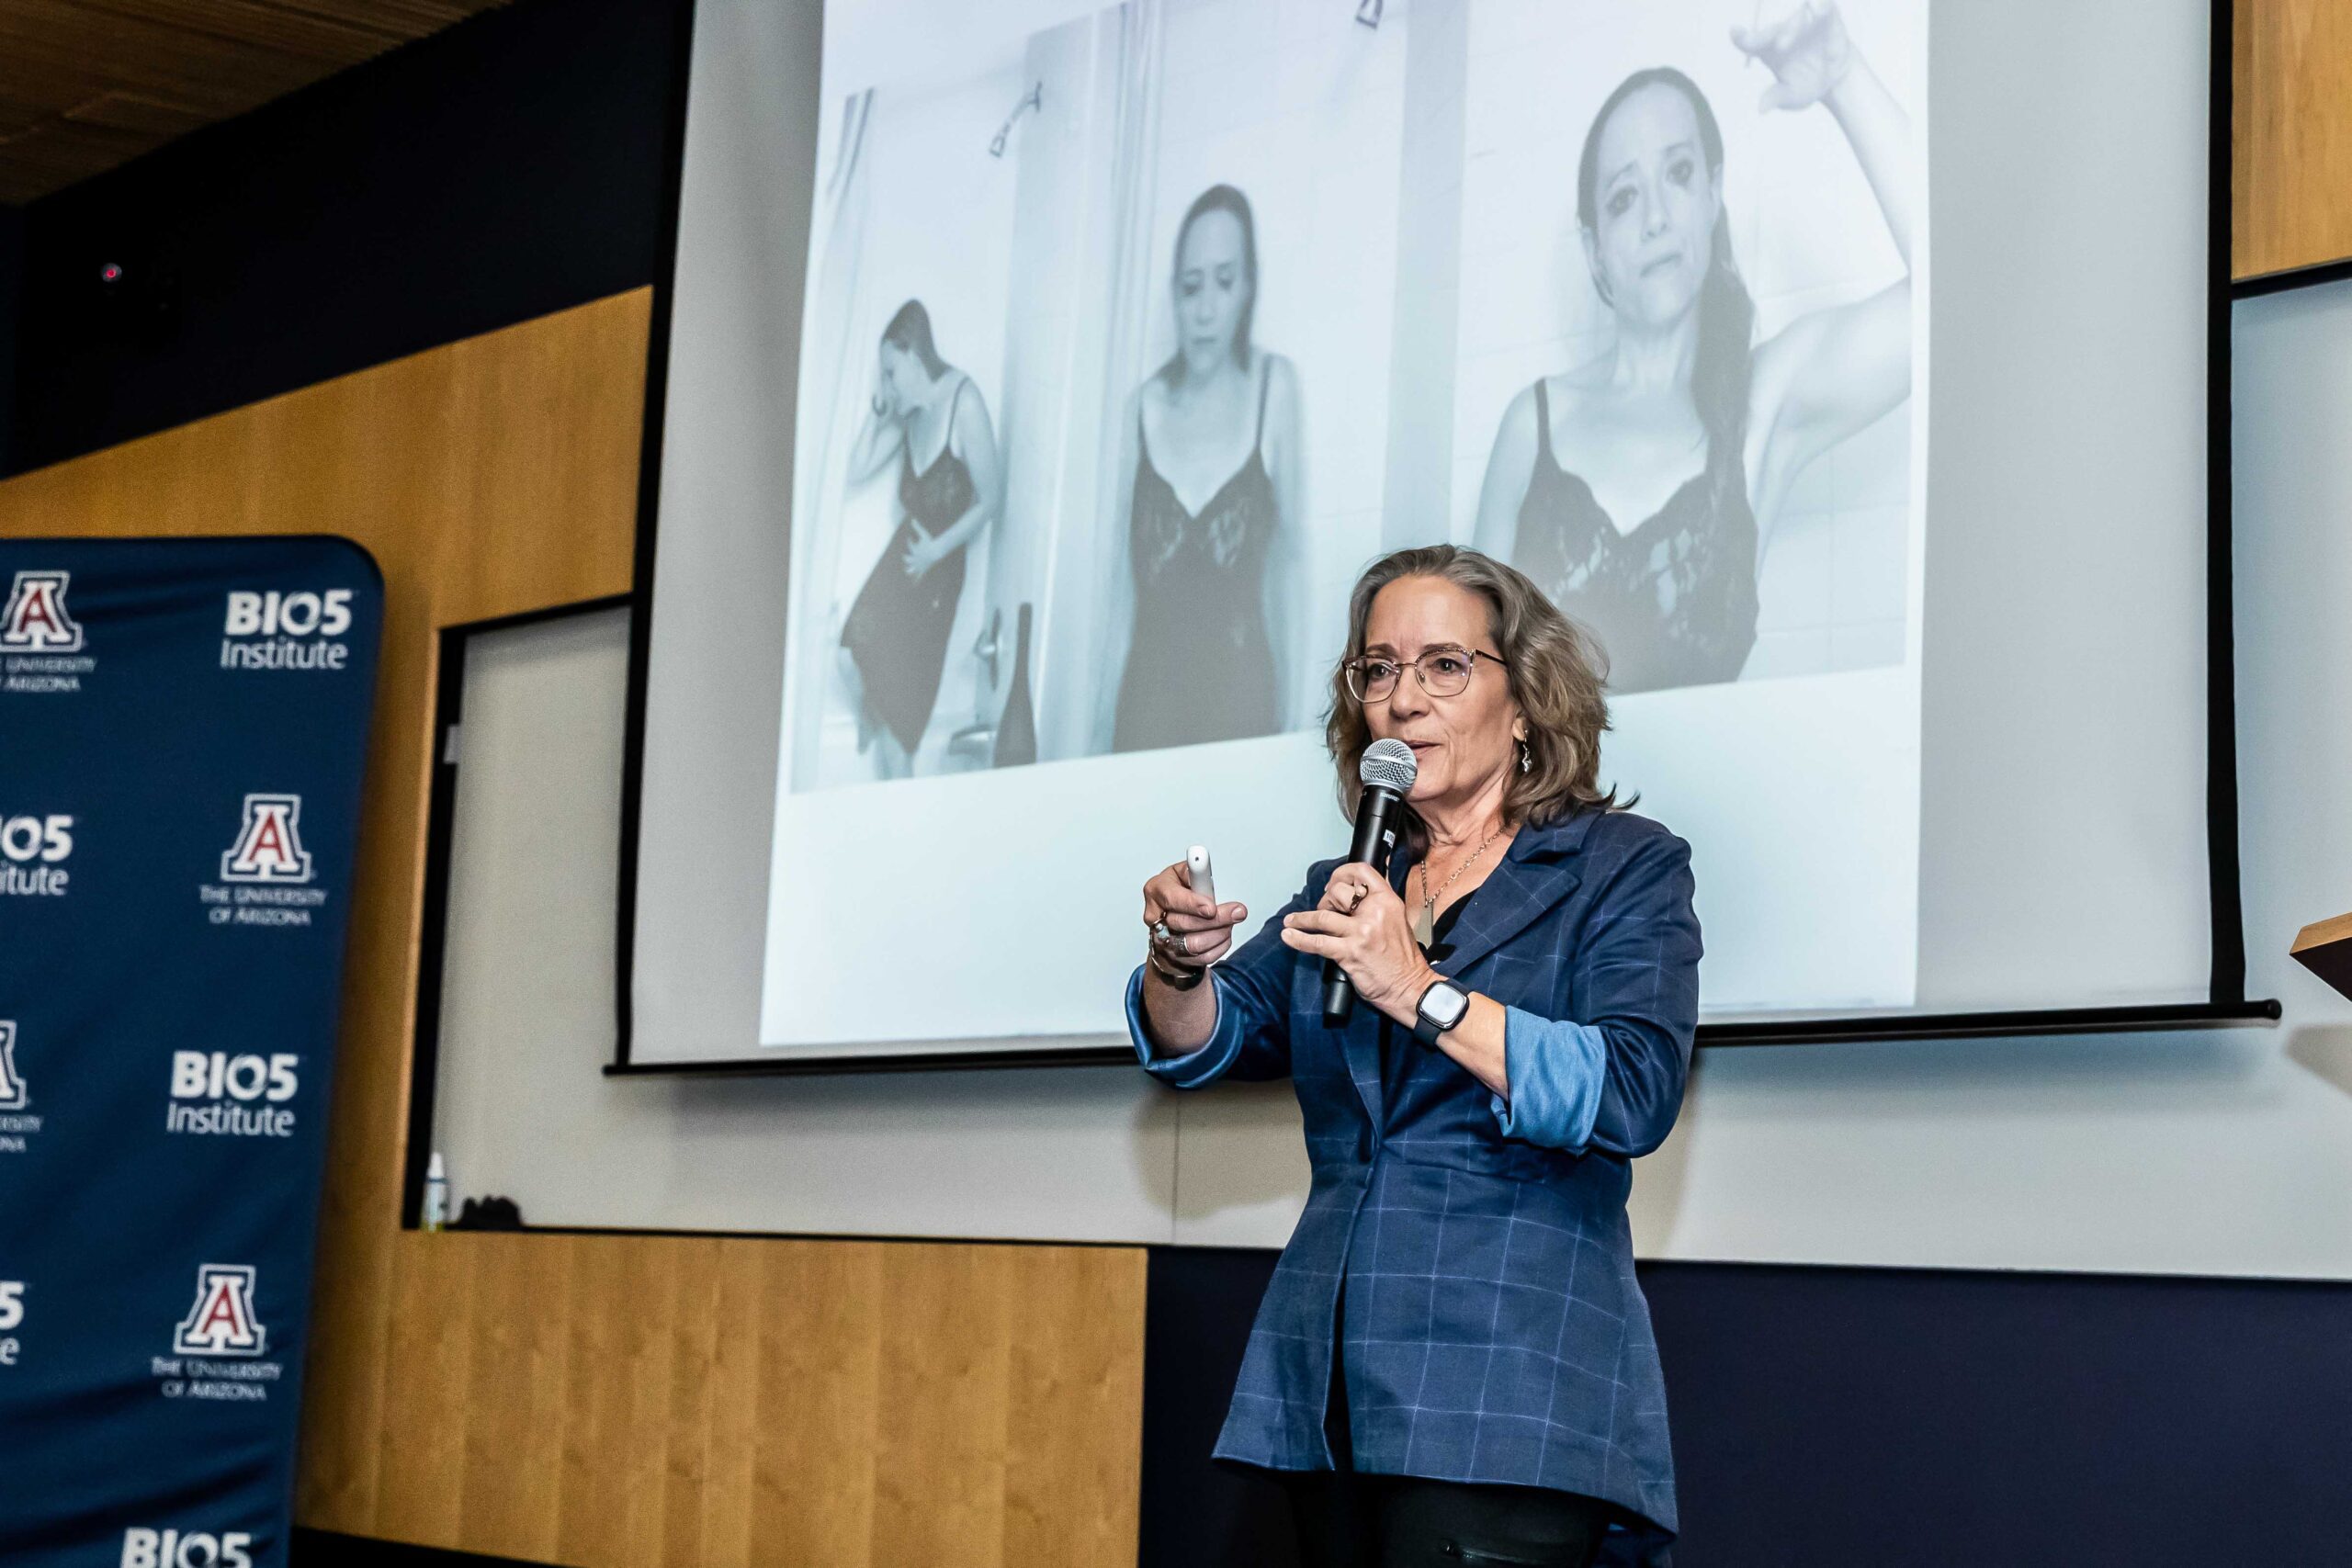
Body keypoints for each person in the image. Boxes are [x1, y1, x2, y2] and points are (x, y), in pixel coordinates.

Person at [1129, 544, 1702, 1566]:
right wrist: (1179, 963)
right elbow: (1209, 1043)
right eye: (1378, 669)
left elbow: (1631, 1090)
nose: (1404, 699)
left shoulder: (1620, 870)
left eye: (1443, 665)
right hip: (1329, 1390)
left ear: (1523, 699)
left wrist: (1418, 990)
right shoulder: (1350, 879)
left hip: (1507, 1391)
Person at [1472, 0, 1912, 694]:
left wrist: (1843, 76)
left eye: (1678, 175)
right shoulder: (1532, 426)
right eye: (1622, 198)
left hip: (1698, 806)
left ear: (1713, 194)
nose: (1655, 218)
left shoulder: (1766, 401)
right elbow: (1469, 694)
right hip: (1535, 806)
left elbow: (1959, 297)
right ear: (1594, 253)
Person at [1104, 184, 1306, 753]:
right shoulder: (1141, 407)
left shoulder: (1275, 389)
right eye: (1191, 286)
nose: (1206, 308)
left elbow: (1290, 568)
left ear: (1249, 287)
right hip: (1144, 711)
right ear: (1174, 292)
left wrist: (1296, 727)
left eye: (1225, 281)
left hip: (1243, 709)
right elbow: (1119, 592)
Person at [838, 299, 1001, 778]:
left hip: (939, 570)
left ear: (912, 355)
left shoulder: (964, 401)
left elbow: (991, 499)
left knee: (902, 718)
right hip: (903, 556)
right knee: (850, 652)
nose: (887, 383)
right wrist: (878, 408)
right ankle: (873, 717)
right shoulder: (908, 416)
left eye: (890, 372)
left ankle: (897, 789)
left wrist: (936, 551)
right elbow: (856, 470)